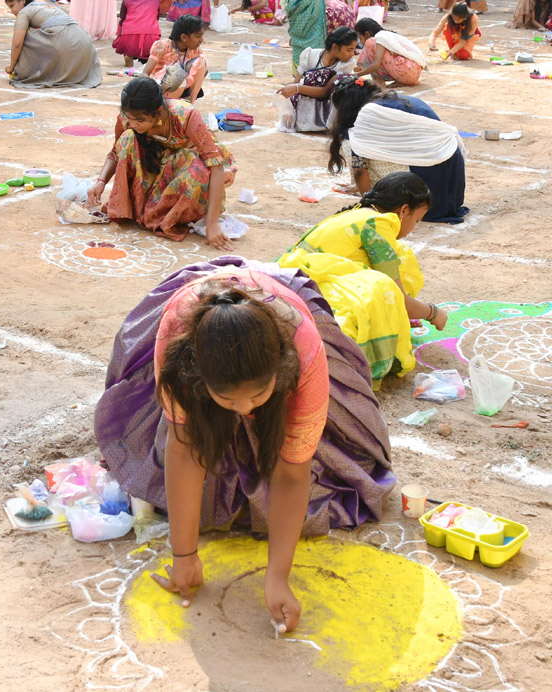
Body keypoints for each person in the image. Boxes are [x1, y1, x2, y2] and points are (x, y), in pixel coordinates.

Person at [95, 257, 394, 632]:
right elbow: (185, 449)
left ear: (281, 372)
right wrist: (184, 554)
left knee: (329, 455)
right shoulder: (176, 342)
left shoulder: (303, 353)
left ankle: (255, 396)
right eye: (227, 399)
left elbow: (291, 472)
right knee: (187, 445)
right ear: (198, 380)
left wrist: (277, 577)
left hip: (285, 320)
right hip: (196, 318)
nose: (243, 411)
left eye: (257, 396)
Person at [278, 172, 446, 387]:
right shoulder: (379, 224)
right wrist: (433, 313)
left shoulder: (358, 214)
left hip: (290, 283)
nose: (413, 228)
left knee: (396, 260)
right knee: (383, 284)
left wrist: (397, 314)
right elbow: (397, 297)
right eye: (416, 220)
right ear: (404, 210)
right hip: (306, 294)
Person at [87, 77, 235, 245]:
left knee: (197, 170)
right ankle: (141, 208)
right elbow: (116, 152)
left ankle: (170, 214)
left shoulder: (185, 115)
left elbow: (216, 166)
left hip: (185, 164)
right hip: (157, 163)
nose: (134, 124)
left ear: (158, 112)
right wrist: (101, 182)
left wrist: (212, 224)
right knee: (127, 139)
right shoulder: (127, 118)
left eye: (141, 120)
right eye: (131, 119)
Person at [328, 77, 468, 224]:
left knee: (351, 141)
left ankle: (378, 196)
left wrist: (367, 205)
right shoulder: (393, 99)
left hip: (424, 200)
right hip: (451, 189)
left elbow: (359, 169)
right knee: (362, 142)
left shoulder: (368, 114)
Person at [4, 0, 102, 89]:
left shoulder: (24, 12)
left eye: (12, 6)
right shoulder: (46, 5)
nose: (11, 11)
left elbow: (17, 44)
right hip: (85, 41)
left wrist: (12, 67)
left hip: (65, 41)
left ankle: (33, 72)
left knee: (26, 35)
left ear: (23, 0)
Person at [274, 26, 358, 134]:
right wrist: (288, 106)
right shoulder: (310, 55)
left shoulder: (346, 64)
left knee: (342, 84)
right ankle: (300, 119)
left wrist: (297, 88)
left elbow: (324, 92)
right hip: (304, 105)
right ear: (335, 47)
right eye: (349, 50)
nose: (352, 54)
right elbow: (297, 82)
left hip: (327, 107)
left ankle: (325, 123)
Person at [141, 15, 207, 104]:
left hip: (182, 87)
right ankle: (161, 103)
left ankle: (190, 103)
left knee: (201, 63)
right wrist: (152, 90)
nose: (201, 40)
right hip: (160, 88)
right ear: (184, 37)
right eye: (198, 36)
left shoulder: (195, 51)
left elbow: (199, 74)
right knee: (177, 72)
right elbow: (145, 73)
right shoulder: (163, 46)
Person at [354, 18, 426, 86]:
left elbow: (375, 65)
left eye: (360, 38)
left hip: (406, 72)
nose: (361, 42)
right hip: (413, 73)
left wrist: (356, 75)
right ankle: (401, 81)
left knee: (369, 43)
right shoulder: (387, 35)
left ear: (367, 34)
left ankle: (379, 81)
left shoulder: (379, 38)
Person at [113, 0, 162, 68]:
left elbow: (122, 21)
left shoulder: (127, 1)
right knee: (149, 56)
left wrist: (119, 37)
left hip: (129, 38)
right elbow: (156, 19)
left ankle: (129, 59)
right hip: (151, 38)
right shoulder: (155, 0)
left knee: (128, 51)